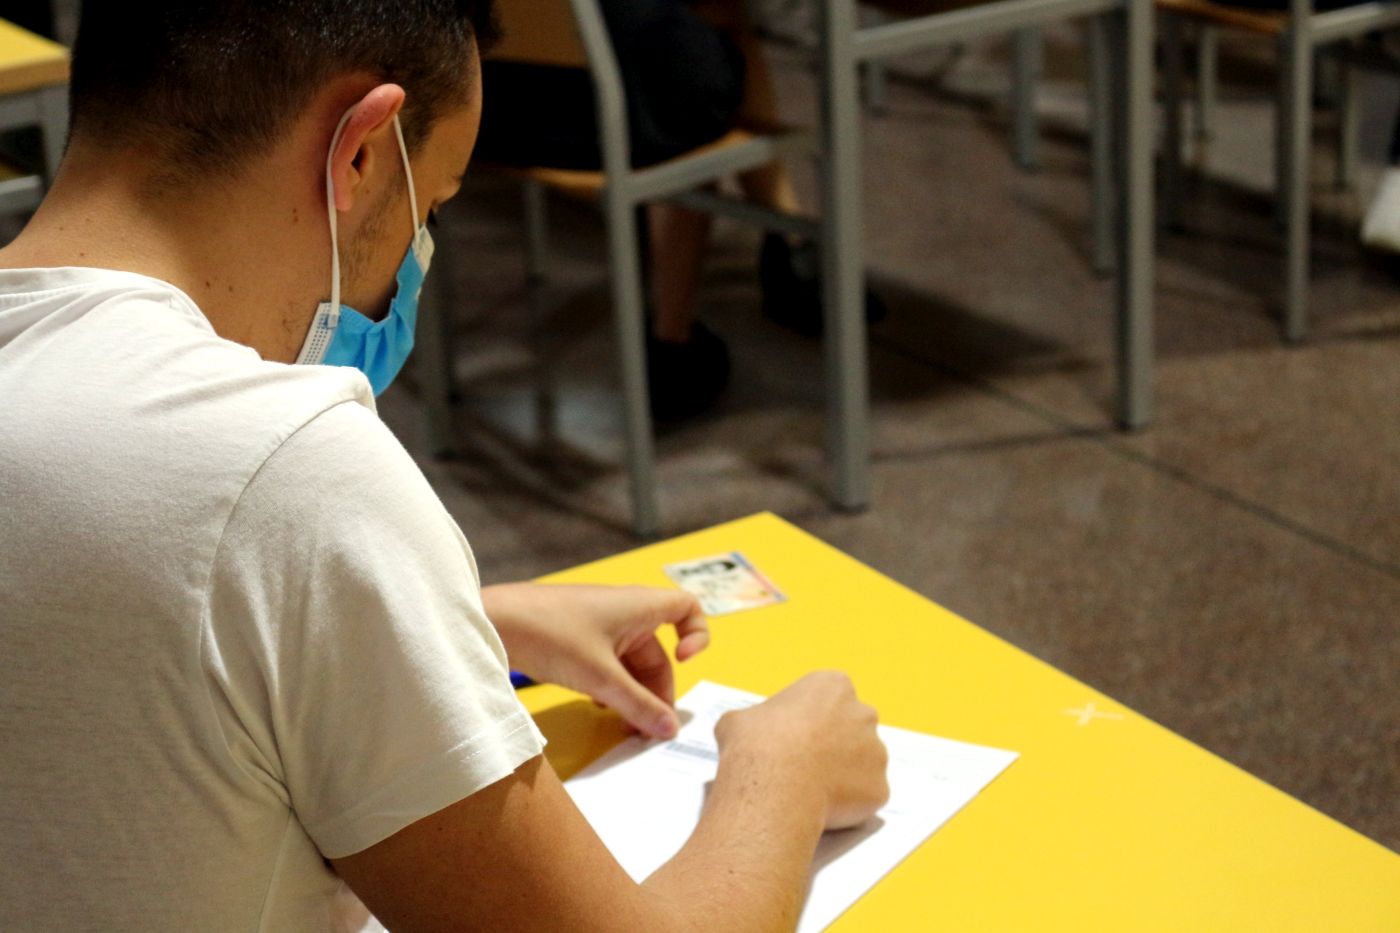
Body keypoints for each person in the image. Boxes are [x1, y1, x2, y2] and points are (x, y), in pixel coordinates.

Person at [0, 2, 889, 930]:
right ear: (360, 151)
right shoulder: (284, 464)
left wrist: (461, 624)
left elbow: (97, 609)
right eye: (435, 203)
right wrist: (783, 772)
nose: (416, 257)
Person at [475, 0, 883, 421]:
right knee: (697, 55)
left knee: (693, 35)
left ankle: (791, 244)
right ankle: (673, 342)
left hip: (490, 104)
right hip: (615, 114)